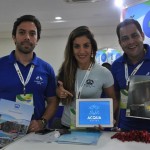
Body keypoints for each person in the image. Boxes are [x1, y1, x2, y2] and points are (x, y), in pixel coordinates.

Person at [0, 15, 59, 132]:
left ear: (37, 40)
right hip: (4, 134)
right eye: (22, 32)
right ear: (14, 37)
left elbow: (53, 101)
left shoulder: (47, 69)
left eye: (32, 34)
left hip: (36, 134)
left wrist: (42, 121)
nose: (27, 37)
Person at [56, 26, 118, 129]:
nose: (81, 51)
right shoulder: (65, 69)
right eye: (76, 46)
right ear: (71, 49)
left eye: (86, 46)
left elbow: (114, 100)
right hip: (67, 126)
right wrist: (58, 92)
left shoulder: (103, 72)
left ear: (92, 48)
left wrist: (108, 117)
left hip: (91, 127)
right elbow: (58, 91)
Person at [111, 18, 150, 131]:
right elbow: (115, 98)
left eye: (134, 35)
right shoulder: (116, 66)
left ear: (142, 35)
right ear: (120, 43)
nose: (131, 41)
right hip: (125, 131)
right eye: (125, 38)